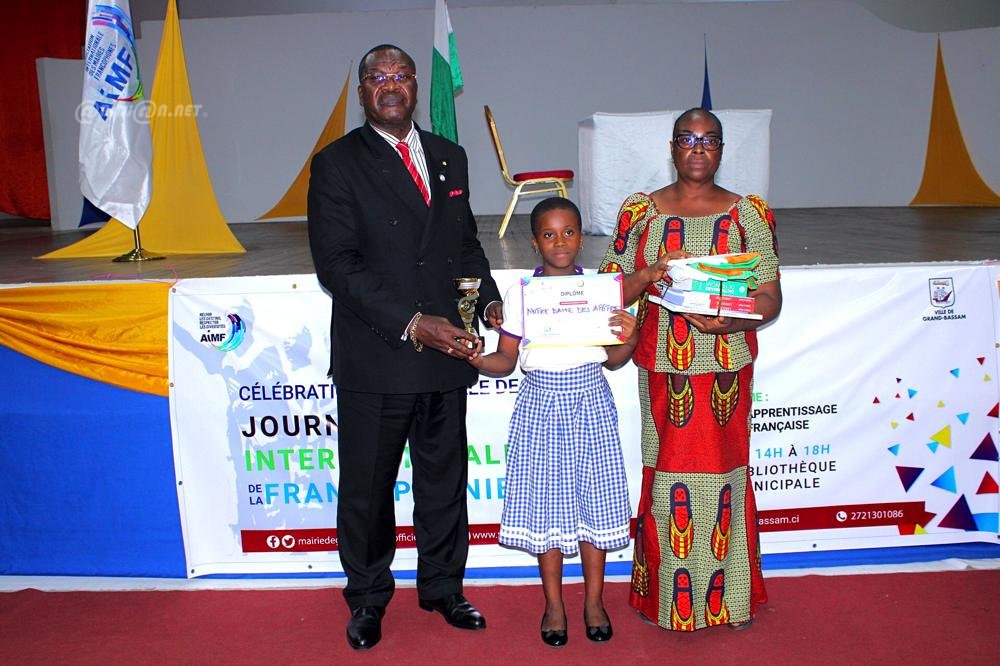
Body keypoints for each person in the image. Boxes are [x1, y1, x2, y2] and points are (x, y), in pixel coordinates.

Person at [307, 43, 503, 651]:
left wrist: (485, 307)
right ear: (363, 90)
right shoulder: (337, 164)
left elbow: (465, 250)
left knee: (443, 482)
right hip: (379, 354)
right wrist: (415, 323)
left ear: (416, 86)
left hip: (448, 354)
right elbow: (337, 267)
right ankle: (367, 597)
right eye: (377, 77)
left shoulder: (451, 157)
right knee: (367, 488)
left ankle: (444, 587)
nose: (390, 86)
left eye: (400, 75)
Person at [599, 108, 781, 631]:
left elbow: (770, 297)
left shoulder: (750, 214)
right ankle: (666, 600)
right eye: (688, 138)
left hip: (726, 368)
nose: (698, 148)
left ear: (721, 149)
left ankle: (732, 597)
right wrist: (651, 273)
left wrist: (729, 322)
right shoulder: (641, 213)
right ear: (672, 147)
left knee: (726, 472)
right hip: (664, 366)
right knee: (669, 479)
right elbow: (612, 289)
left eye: (709, 140)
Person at [468, 197, 636, 647]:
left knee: (595, 505)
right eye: (549, 234)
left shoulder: (603, 290)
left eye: (568, 232)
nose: (559, 241)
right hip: (541, 407)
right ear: (534, 241)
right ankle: (555, 605)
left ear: (582, 238)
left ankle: (594, 601)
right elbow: (506, 360)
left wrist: (630, 335)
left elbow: (616, 360)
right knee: (546, 508)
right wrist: (474, 359)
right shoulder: (522, 295)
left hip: (591, 405)